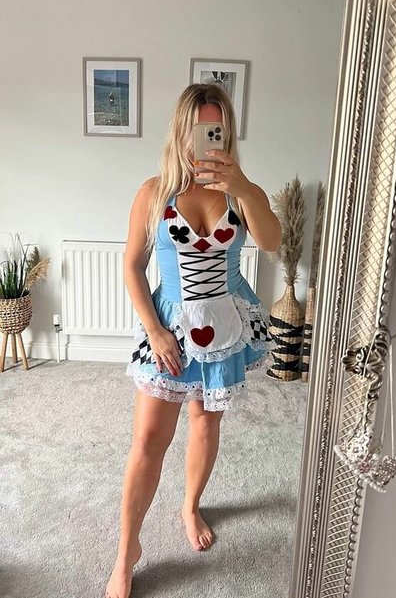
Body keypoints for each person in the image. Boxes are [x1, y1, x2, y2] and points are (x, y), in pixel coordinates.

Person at [105, 83, 281, 598]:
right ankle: (127, 550)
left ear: (227, 133)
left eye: (216, 130)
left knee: (206, 422)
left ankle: (190, 505)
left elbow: (272, 242)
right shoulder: (153, 192)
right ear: (180, 131)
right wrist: (154, 331)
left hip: (225, 326)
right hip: (170, 329)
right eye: (197, 129)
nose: (205, 140)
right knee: (147, 442)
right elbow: (132, 266)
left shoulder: (241, 192)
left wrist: (243, 186)